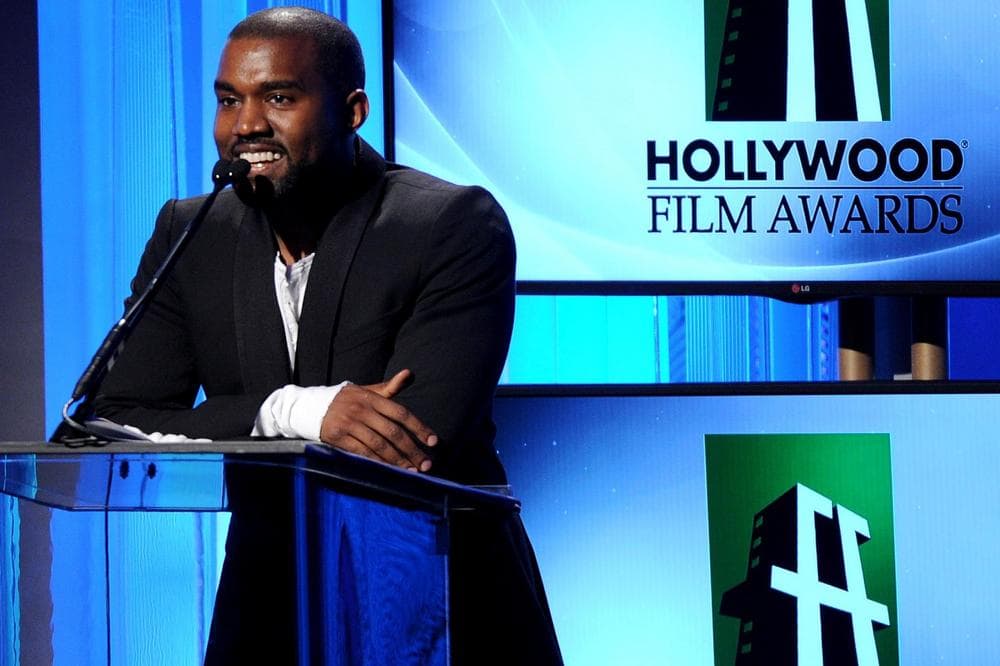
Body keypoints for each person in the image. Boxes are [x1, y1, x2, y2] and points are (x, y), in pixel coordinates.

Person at [90, 7, 562, 664]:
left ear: (354, 110)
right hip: (268, 612)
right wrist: (301, 410)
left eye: (278, 97)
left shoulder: (449, 223)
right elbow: (110, 420)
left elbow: (410, 444)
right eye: (229, 100)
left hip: (439, 603)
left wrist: (236, 424)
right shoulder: (191, 233)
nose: (247, 125)